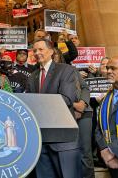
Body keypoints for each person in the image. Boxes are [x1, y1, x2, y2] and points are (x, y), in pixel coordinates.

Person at [27, 39, 81, 178]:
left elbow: (67, 98)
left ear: (51, 51)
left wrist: (36, 105)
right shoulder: (32, 76)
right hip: (40, 140)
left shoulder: (65, 70)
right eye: (34, 50)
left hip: (62, 139)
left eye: (41, 49)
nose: (37, 53)